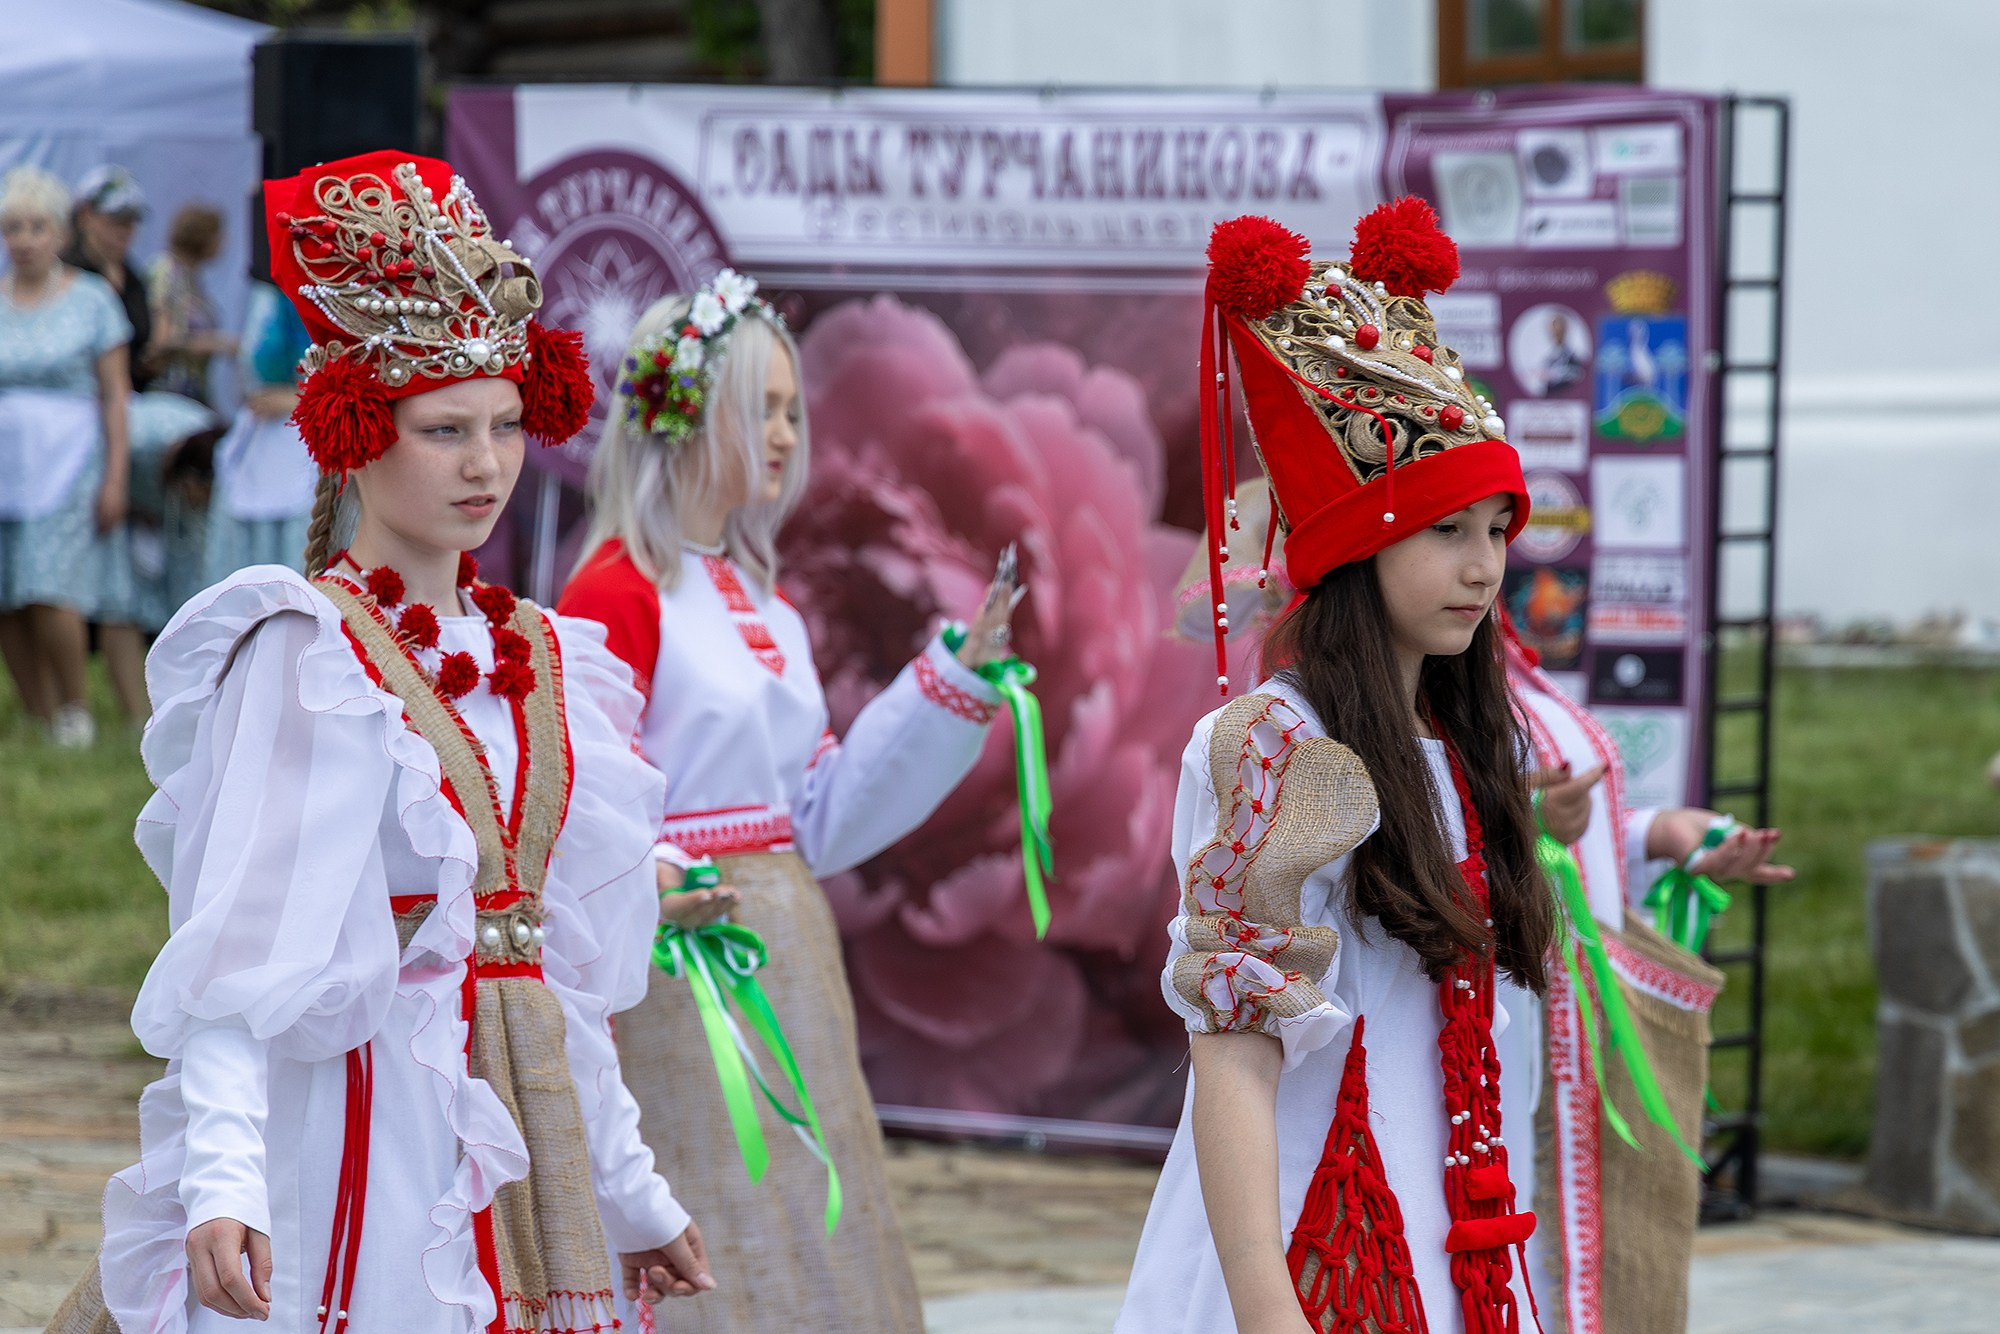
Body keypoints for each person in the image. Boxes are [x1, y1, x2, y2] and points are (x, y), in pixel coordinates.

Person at [42, 151, 711, 1334]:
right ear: (356, 433)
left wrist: (628, 1186)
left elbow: (557, 971)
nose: (485, 464)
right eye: (445, 429)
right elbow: (236, 950)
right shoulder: (308, 648)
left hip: (524, 1139)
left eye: (506, 425)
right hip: (357, 1117)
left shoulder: (542, 652)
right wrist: (225, 1177)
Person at [1117, 201, 1553, 1332]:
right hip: (1318, 1246)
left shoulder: (1465, 744)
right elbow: (1233, 1055)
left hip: (1460, 1237)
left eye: (1496, 530)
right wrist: (1270, 1309)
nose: (1483, 567)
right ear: (1361, 543)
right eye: (1446, 530)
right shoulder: (1275, 745)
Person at [556, 273, 1020, 1333]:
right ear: (683, 413)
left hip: (789, 959)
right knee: (712, 1212)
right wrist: (648, 885)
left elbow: (820, 816)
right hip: (684, 967)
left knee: (806, 1225)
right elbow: (581, 801)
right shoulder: (614, 590)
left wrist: (949, 680)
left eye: (789, 411)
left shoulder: (766, 601)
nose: (781, 434)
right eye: (757, 407)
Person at [1507, 622, 1789, 1334]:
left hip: (1562, 1033)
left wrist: (1657, 833)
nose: (1482, 570)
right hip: (1495, 1032)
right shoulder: (1371, 664)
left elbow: (1562, 821)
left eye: (1494, 555)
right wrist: (1521, 824)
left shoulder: (1489, 647)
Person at [0, 165, 135, 747]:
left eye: (36, 227)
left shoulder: (92, 299)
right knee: (8, 592)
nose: (24, 240)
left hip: (71, 459)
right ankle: (36, 711)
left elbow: (115, 396)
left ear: (59, 232)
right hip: (9, 464)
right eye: (13, 228)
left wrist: (116, 478)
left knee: (51, 586)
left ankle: (75, 711)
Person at [202, 277, 317, 583]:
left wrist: (298, 399)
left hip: (308, 440)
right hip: (262, 439)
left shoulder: (328, 294)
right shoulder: (264, 296)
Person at [67, 165, 154, 391]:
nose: (125, 230)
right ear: (85, 215)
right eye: (116, 220)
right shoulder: (65, 272)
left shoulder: (133, 277)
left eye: (132, 221)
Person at [146, 202, 237, 404]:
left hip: (193, 394)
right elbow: (161, 341)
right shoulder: (166, 271)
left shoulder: (191, 278)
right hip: (168, 396)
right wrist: (216, 344)